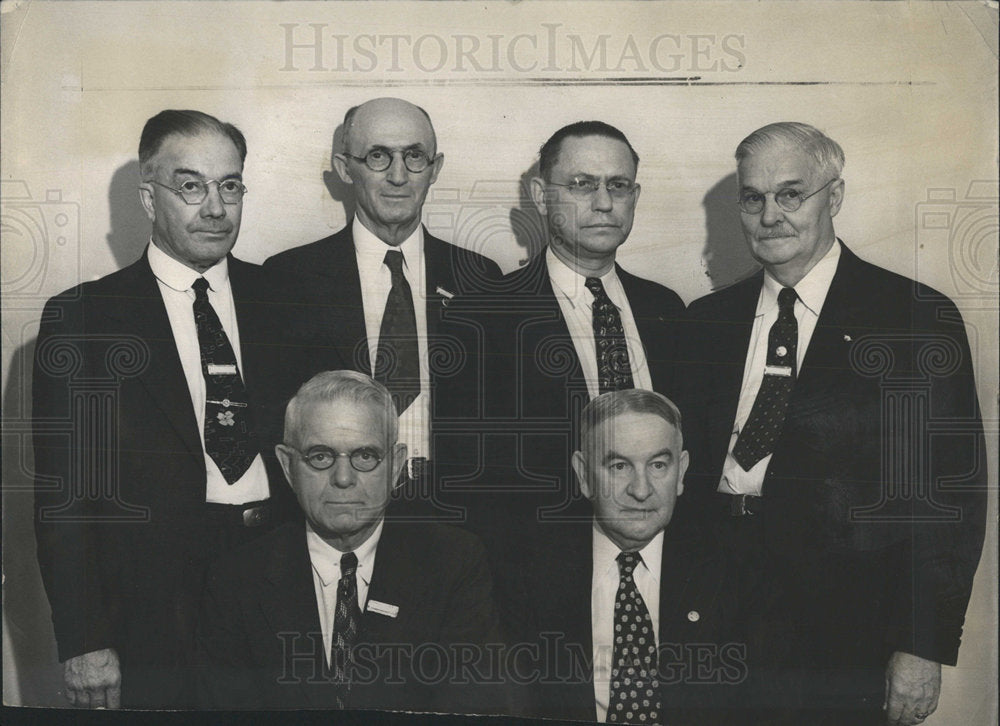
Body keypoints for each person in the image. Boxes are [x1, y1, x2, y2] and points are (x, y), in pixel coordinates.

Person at [681, 122, 987, 725]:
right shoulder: (705, 322)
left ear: (835, 197)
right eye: (753, 197)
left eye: (791, 194)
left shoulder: (913, 320)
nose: (770, 215)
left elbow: (948, 498)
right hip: (713, 618)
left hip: (846, 629)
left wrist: (922, 643)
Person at [32, 109, 294, 708]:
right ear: (150, 199)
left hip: (278, 582)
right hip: (151, 607)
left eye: (230, 186)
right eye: (191, 186)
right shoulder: (84, 320)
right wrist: (84, 639)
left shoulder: (284, 301)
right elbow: (63, 497)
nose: (215, 208)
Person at [441, 121, 686, 563]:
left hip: (662, 566)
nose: (604, 203)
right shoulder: (480, 316)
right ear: (540, 194)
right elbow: (470, 479)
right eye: (582, 185)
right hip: (537, 574)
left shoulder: (667, 310)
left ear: (635, 197)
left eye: (618, 185)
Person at [197, 370, 506, 714]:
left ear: (396, 466)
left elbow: (472, 707)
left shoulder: (453, 563)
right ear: (287, 466)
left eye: (364, 456)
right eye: (320, 456)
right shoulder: (236, 580)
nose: (343, 479)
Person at [264, 97, 502, 492]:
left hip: (456, 510)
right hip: (339, 503)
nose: (398, 176)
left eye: (414, 156)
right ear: (345, 168)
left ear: (435, 168)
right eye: (378, 156)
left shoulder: (480, 278)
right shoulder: (289, 279)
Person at [503, 389, 740, 724]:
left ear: (682, 472)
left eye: (658, 465)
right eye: (619, 466)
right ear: (584, 475)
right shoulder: (525, 574)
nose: (641, 490)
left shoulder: (736, 572)